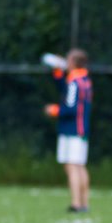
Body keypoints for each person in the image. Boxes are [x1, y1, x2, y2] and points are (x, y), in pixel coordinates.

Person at [44, 49, 92, 213]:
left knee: (72, 167)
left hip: (72, 130)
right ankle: (84, 203)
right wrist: (58, 72)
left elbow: (70, 108)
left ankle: (76, 204)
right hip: (81, 129)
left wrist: (54, 111)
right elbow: (66, 90)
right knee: (79, 166)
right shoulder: (83, 80)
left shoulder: (74, 83)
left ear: (73, 63)